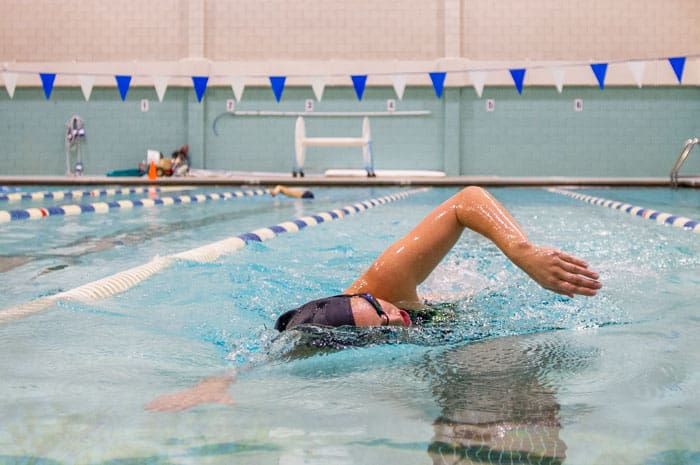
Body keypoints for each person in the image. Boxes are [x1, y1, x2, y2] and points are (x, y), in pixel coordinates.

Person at [146, 186, 601, 412]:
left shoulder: (385, 287)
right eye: (383, 324)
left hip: (459, 289)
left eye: (383, 308)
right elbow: (276, 354)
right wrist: (219, 381)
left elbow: (467, 200)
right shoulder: (347, 333)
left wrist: (521, 252)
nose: (396, 317)